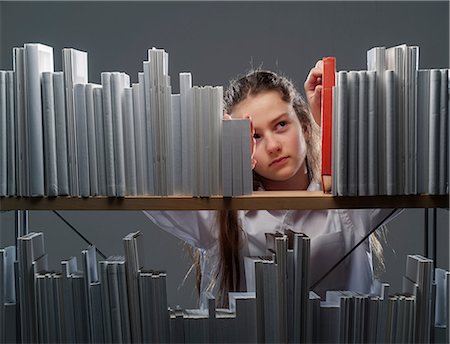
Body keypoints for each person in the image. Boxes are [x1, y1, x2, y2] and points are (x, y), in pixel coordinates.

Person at [144, 61, 397, 307]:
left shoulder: (347, 204)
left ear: (306, 127)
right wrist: (217, 161)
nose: (274, 146)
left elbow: (398, 165)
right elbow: (149, 187)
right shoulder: (222, 214)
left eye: (281, 125)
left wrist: (334, 122)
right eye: (254, 135)